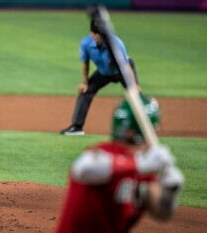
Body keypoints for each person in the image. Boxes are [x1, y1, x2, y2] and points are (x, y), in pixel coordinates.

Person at [55, 95, 184, 233]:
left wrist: (171, 191)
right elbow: (82, 169)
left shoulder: (143, 169)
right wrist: (139, 164)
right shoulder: (102, 154)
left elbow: (162, 213)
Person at [60, 19, 140, 135]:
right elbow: (85, 63)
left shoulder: (116, 43)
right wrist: (84, 82)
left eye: (103, 35)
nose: (101, 37)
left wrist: (134, 85)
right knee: (85, 91)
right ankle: (77, 127)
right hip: (103, 72)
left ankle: (142, 127)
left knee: (135, 96)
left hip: (122, 71)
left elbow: (126, 66)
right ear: (92, 34)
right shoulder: (86, 44)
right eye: (98, 35)